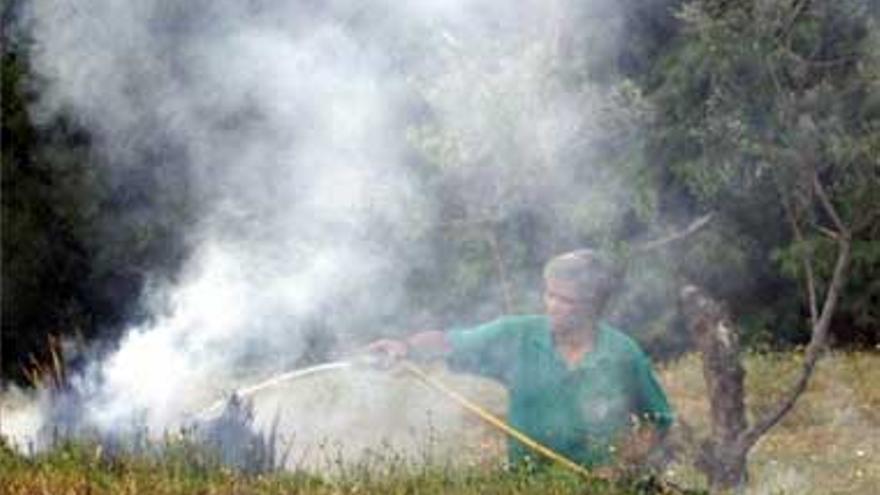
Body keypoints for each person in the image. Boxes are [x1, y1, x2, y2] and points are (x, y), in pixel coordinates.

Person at [367, 249, 673, 474]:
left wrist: (618, 467)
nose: (551, 306)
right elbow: (452, 341)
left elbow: (657, 420)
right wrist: (405, 347)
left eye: (564, 300)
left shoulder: (622, 353)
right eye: (549, 294)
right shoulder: (517, 335)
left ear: (592, 306)